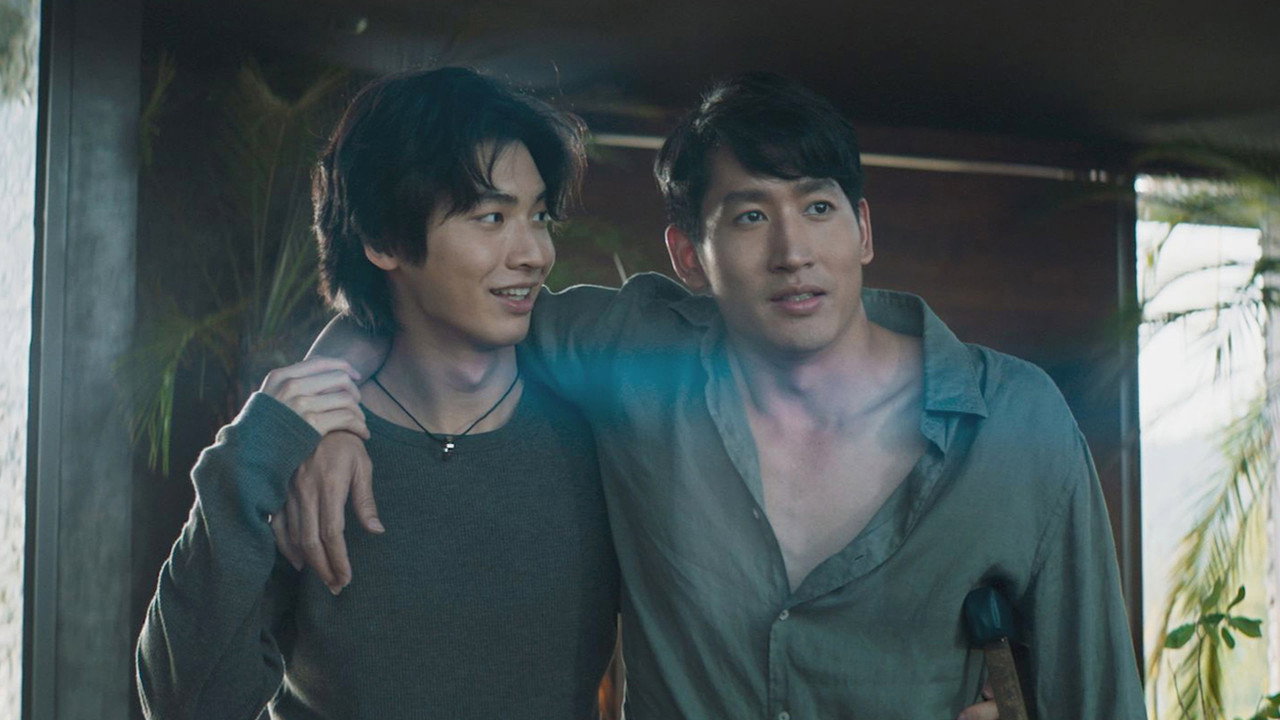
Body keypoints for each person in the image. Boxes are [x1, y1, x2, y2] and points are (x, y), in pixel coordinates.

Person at [291, 73, 1147, 719]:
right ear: (687, 256)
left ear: (864, 230)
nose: (793, 252)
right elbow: (433, 304)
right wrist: (328, 415)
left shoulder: (1015, 422)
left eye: (818, 208)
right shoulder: (635, 356)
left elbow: (1099, 696)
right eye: (749, 217)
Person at [136, 67, 619, 720]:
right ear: (384, 239)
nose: (534, 252)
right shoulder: (297, 457)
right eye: (491, 217)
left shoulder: (598, 432)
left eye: (539, 216)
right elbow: (185, 705)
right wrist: (254, 457)